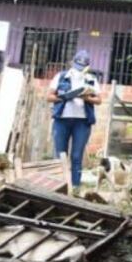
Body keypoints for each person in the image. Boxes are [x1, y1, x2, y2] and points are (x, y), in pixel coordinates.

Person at [47, 49, 101, 195]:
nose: (79, 70)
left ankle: (75, 188)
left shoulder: (91, 79)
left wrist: (86, 98)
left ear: (87, 66)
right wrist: (63, 97)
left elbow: (99, 100)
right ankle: (59, 187)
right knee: (60, 154)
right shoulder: (62, 76)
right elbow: (49, 97)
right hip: (62, 120)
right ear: (72, 62)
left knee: (77, 156)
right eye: (77, 66)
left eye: (82, 67)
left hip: (82, 122)